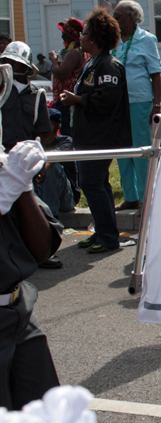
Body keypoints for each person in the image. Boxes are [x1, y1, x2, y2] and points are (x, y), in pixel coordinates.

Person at [60, 7, 132, 254]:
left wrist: (76, 100)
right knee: (97, 184)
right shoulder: (91, 64)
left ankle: (109, 237)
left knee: (91, 183)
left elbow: (105, 99)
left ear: (96, 38)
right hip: (87, 134)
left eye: (85, 34)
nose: (81, 38)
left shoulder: (110, 66)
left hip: (100, 136)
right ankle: (102, 231)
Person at [0, 136, 62, 410]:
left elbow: (42, 249)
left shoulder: (7, 172)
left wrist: (22, 187)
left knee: (44, 409)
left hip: (18, 313)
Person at [111, 0, 161, 212]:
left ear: (132, 18)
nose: (115, 20)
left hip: (139, 101)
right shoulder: (112, 41)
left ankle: (146, 197)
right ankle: (130, 197)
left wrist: (157, 104)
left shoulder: (146, 39)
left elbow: (156, 74)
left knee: (141, 151)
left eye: (119, 16)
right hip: (117, 105)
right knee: (122, 151)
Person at [0, 41, 50, 152]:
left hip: (26, 156)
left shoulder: (37, 95)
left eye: (15, 62)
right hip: (2, 155)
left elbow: (41, 132)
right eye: (6, 62)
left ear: (26, 66)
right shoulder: (1, 90)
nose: (10, 66)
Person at [34, 108, 79, 220]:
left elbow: (54, 156)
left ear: (51, 126)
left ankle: (50, 218)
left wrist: (44, 168)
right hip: (40, 193)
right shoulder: (35, 142)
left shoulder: (66, 141)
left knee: (53, 166)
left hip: (66, 199)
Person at [48, 18, 87, 137]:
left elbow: (62, 73)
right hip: (65, 100)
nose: (61, 35)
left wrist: (54, 60)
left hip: (66, 101)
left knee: (66, 133)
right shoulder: (75, 51)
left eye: (63, 33)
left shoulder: (74, 52)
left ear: (68, 36)